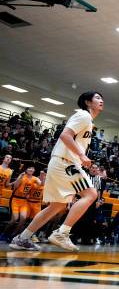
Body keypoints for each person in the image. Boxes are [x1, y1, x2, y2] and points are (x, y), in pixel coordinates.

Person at [10, 91, 104, 251]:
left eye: (102, 98)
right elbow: (65, 135)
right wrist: (81, 155)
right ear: (88, 102)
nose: (101, 100)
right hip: (66, 163)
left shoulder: (88, 121)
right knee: (91, 194)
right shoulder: (83, 115)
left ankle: (22, 238)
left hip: (61, 162)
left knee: (57, 206)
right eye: (97, 98)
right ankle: (62, 233)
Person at [1, 166, 39, 241]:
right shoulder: (22, 176)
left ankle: (13, 236)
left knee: (23, 219)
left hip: (24, 201)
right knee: (14, 219)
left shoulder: (35, 178)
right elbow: (15, 186)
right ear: (26, 169)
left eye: (32, 168)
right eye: (29, 168)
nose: (31, 169)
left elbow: (41, 184)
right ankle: (3, 233)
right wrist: (19, 178)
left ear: (34, 170)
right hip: (15, 199)